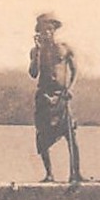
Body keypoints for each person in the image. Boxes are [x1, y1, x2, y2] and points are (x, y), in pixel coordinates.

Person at [29, 13, 84, 183]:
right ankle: (49, 174)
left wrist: (70, 89)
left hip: (62, 96)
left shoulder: (64, 48)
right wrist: (37, 53)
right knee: (42, 136)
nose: (47, 33)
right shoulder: (36, 51)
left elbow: (75, 71)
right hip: (44, 96)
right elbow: (33, 73)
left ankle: (76, 173)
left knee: (70, 134)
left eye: (49, 29)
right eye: (43, 30)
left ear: (54, 30)